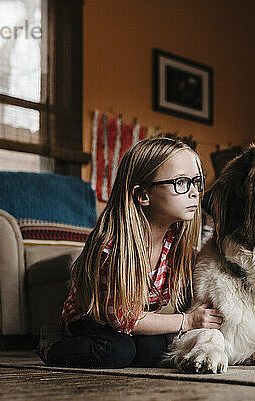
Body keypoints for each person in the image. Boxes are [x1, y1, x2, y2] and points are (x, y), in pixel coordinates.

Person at [39, 137, 224, 368]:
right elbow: (122, 318)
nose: (195, 192)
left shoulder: (176, 239)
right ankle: (53, 348)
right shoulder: (113, 247)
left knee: (154, 352)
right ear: (143, 195)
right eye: (181, 182)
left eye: (197, 182)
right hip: (93, 315)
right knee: (118, 351)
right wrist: (187, 321)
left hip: (133, 314)